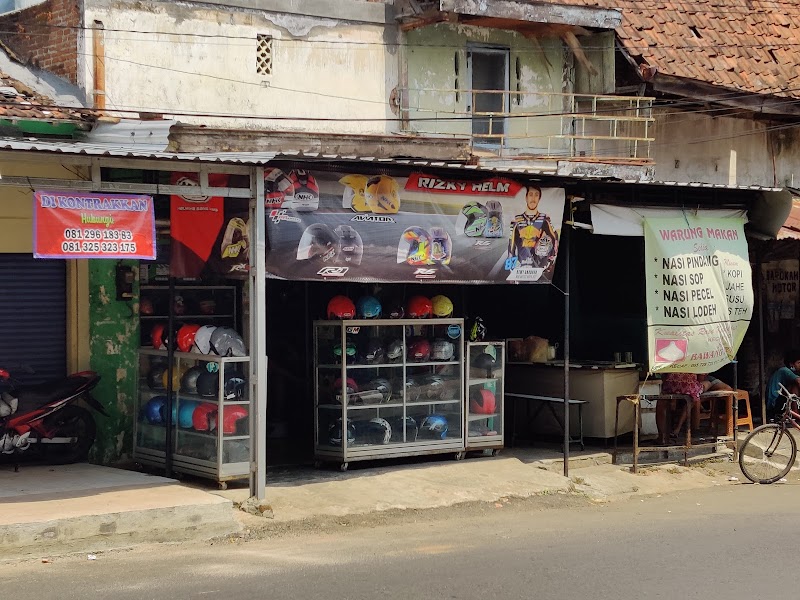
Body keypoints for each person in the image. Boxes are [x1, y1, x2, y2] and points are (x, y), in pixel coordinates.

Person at [656, 372, 733, 445]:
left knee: (661, 402)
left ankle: (662, 437)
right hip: (690, 387)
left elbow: (663, 376)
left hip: (670, 386)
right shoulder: (694, 359)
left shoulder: (671, 360)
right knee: (696, 394)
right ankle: (683, 426)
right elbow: (700, 378)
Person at [507, 185, 559, 275]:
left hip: (540, 267)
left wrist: (551, 259)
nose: (533, 198)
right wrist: (511, 266)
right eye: (530, 194)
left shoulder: (545, 219)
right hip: (521, 266)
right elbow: (511, 245)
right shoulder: (517, 220)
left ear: (539, 198)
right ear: (526, 197)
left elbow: (555, 238)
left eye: (536, 195)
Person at [766, 349, 800, 414]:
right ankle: (796, 412)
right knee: (795, 386)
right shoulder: (784, 371)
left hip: (778, 402)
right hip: (774, 404)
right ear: (791, 364)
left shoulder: (788, 372)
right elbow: (798, 381)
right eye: (799, 363)